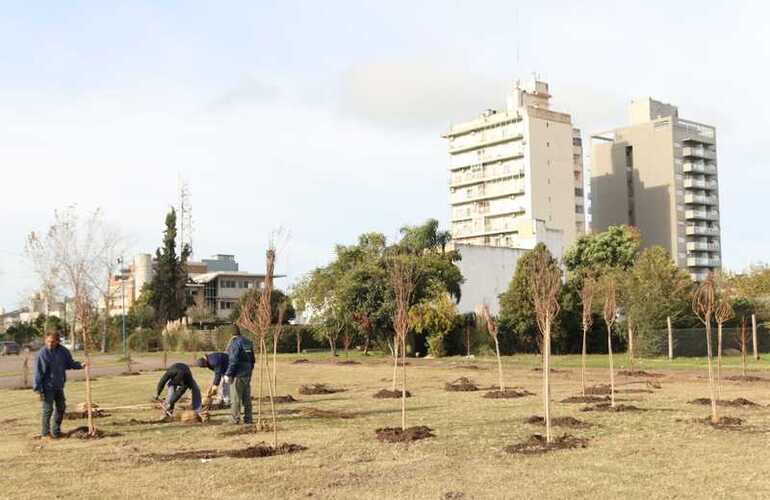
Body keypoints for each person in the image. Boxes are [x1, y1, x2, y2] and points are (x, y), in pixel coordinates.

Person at [33, 331, 87, 438]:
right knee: (48, 409)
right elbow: (38, 373)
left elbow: (69, 364)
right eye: (48, 341)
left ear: (58, 341)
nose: (50, 344)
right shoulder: (42, 354)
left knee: (61, 407)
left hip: (59, 385)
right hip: (47, 386)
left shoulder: (63, 351)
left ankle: (56, 432)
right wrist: (38, 389)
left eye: (52, 342)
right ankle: (45, 433)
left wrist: (81, 365)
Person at [224, 324, 255, 424]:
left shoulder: (235, 343)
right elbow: (253, 359)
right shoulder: (248, 341)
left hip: (238, 374)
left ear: (231, 334)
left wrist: (228, 374)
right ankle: (248, 419)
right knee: (247, 398)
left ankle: (234, 419)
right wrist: (249, 371)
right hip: (247, 373)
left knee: (235, 398)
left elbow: (233, 360)